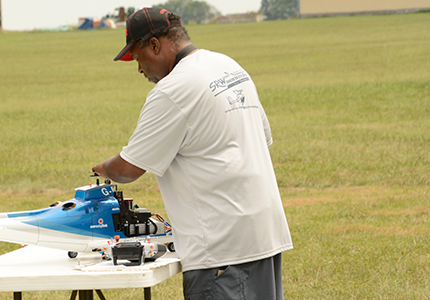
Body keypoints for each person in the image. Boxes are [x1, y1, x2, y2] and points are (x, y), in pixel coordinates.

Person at [92, 7, 293, 300]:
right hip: (264, 235)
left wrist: (102, 168)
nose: (139, 69)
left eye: (137, 58)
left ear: (155, 45)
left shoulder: (172, 90)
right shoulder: (229, 67)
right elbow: (262, 137)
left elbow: (128, 169)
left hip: (221, 250)